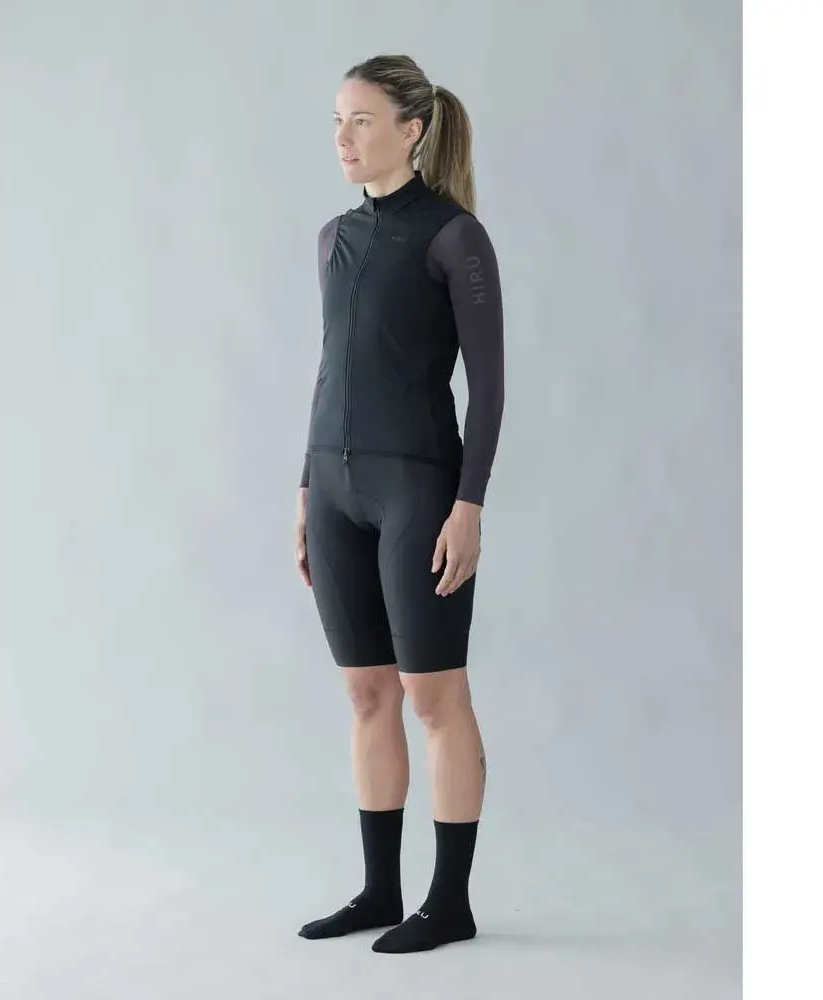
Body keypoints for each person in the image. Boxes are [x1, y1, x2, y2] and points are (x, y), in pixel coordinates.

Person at [294, 54, 505, 954]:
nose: (344, 138)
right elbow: (331, 367)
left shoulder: (454, 237)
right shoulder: (333, 238)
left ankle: (448, 903)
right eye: (338, 121)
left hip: (419, 487)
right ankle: (380, 891)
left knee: (433, 696)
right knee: (366, 691)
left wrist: (469, 504)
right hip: (335, 488)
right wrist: (307, 487)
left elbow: (489, 387)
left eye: (363, 120)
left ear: (412, 130)